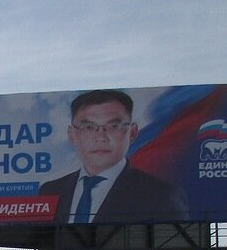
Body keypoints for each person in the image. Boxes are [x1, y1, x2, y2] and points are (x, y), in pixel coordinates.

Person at [39, 89, 189, 224]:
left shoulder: (162, 196)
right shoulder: (50, 191)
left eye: (113, 126)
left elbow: (174, 247)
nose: (100, 137)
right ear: (71, 135)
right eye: (89, 127)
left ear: (133, 132)